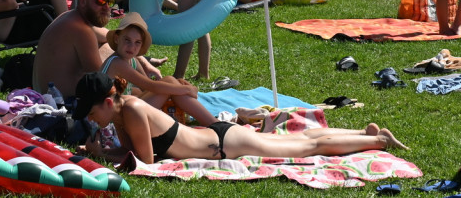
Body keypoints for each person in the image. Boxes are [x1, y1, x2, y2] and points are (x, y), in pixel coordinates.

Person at [75, 72, 407, 165]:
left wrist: (102, 154)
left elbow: (144, 159)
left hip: (224, 143)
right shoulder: (122, 110)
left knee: (307, 149)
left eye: (92, 112)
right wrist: (102, 153)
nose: (92, 119)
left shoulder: (130, 110)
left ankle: (377, 140)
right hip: (220, 138)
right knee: (299, 140)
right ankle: (363, 131)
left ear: (108, 101)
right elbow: (135, 153)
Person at [101, 12, 218, 126]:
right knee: (169, 84)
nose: (132, 47)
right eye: (127, 40)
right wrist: (186, 90)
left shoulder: (132, 60)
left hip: (118, 114)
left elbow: (145, 87)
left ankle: (213, 123)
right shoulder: (117, 63)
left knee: (169, 81)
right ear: (117, 39)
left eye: (137, 42)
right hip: (110, 124)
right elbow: (151, 86)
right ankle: (215, 124)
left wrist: (178, 85)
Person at [32, 0, 115, 99]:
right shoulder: (81, 29)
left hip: (46, 95)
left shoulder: (68, 17)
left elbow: (114, 38)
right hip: (65, 102)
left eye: (110, 2)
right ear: (82, 1)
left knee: (114, 45)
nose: (107, 7)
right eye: (101, 1)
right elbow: (102, 81)